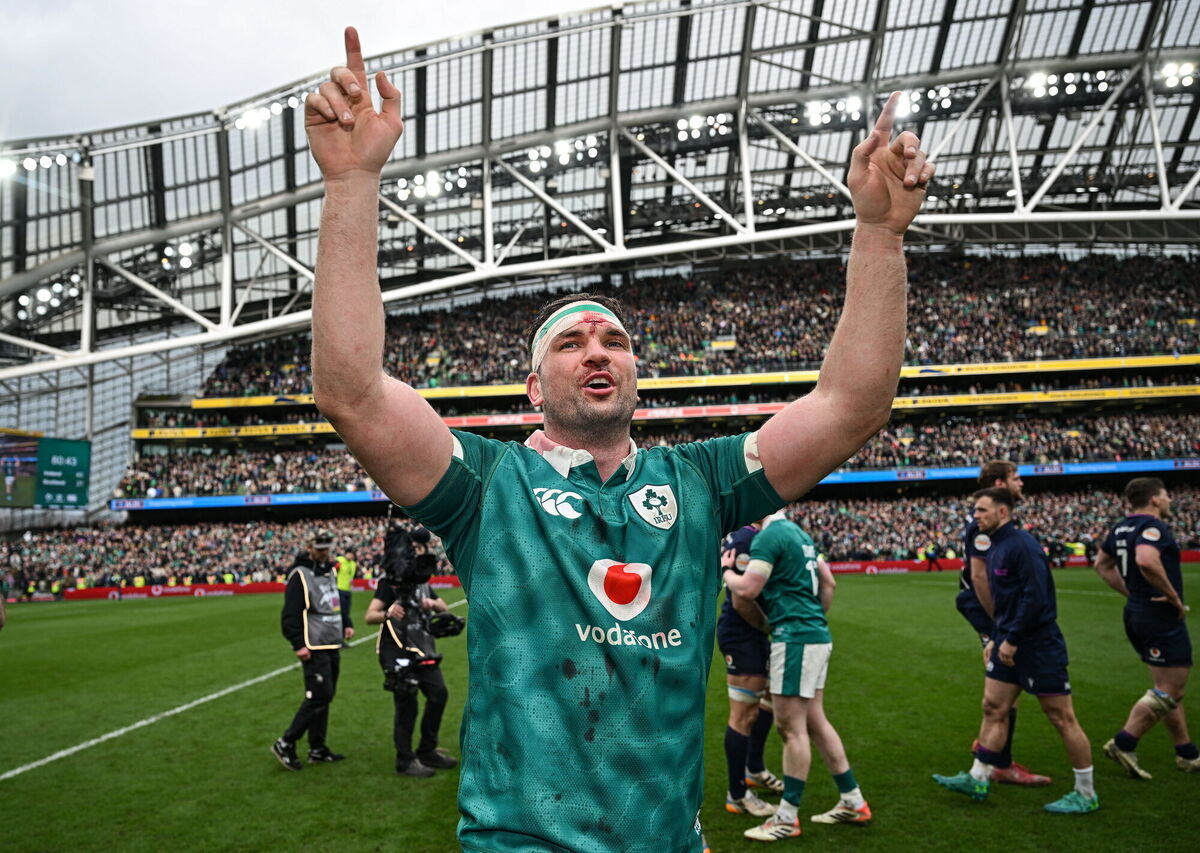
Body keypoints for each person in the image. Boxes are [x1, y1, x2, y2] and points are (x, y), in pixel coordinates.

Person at [305, 26, 931, 852]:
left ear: (636, 373)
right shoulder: (489, 485)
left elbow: (853, 403)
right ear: (535, 388)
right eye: (571, 342)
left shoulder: (701, 480)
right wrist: (352, 183)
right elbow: (351, 392)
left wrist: (880, 235)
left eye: (615, 340)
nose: (598, 349)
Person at [934, 488, 1099, 814]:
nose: (975, 516)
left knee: (1061, 717)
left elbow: (1036, 599)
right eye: (975, 510)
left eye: (982, 510)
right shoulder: (994, 546)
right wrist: (997, 636)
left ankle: (1086, 793)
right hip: (1006, 639)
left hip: (1037, 644)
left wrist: (1011, 638)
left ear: (1003, 513)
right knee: (993, 707)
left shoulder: (1022, 546)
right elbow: (1006, 602)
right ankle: (978, 777)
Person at [724, 513, 871, 842]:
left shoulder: (767, 537)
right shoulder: (801, 535)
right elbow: (829, 583)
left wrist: (728, 572)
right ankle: (853, 800)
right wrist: (814, 618)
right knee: (816, 721)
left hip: (795, 638)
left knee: (791, 728)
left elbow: (747, 589)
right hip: (816, 634)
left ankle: (787, 817)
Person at [1093, 477, 1198, 777]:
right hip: (1158, 614)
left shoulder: (1121, 527)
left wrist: (1131, 593)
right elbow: (1146, 560)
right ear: (1154, 499)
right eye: (1166, 495)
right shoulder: (1153, 528)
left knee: (1166, 690)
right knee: (1170, 689)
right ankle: (1124, 742)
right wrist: (1173, 596)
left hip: (1137, 612)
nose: (1169, 500)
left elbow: (1102, 565)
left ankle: (1187, 753)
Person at [956, 460, 1050, 786]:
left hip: (993, 613)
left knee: (1005, 687)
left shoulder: (994, 522)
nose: (1021, 483)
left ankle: (994, 756)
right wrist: (1002, 626)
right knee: (1004, 684)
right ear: (1000, 483)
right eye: (1016, 477)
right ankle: (998, 762)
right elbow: (979, 577)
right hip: (987, 612)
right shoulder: (983, 525)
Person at [364, 528, 458, 778]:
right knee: (407, 706)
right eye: (414, 549)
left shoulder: (423, 581)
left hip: (424, 649)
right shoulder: (390, 583)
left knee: (439, 695)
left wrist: (433, 604)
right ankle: (405, 760)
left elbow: (443, 607)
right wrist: (388, 612)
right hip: (399, 651)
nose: (418, 553)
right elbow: (369, 616)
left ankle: (427, 750)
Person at [272, 527, 355, 771]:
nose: (324, 553)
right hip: (313, 644)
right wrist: (298, 644)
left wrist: (346, 622)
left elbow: (333, 601)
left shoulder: (328, 570)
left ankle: (317, 748)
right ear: (310, 549)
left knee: (326, 695)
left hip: (331, 641)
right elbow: (290, 614)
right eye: (320, 549)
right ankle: (286, 742)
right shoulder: (300, 575)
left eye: (327, 549)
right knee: (319, 695)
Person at [717, 520, 783, 819]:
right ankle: (738, 794)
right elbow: (742, 599)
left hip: (754, 632)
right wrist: (766, 626)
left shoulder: (751, 536)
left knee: (767, 699)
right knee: (743, 714)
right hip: (743, 633)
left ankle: (754, 768)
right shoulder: (747, 538)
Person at [335, 549, 358, 644]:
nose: (351, 556)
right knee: (342, 613)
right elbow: (333, 571)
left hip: (348, 591)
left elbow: (352, 576)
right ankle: (342, 636)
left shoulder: (353, 564)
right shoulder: (339, 561)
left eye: (352, 554)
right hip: (338, 589)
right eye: (350, 553)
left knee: (346, 613)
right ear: (345, 553)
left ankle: (343, 636)